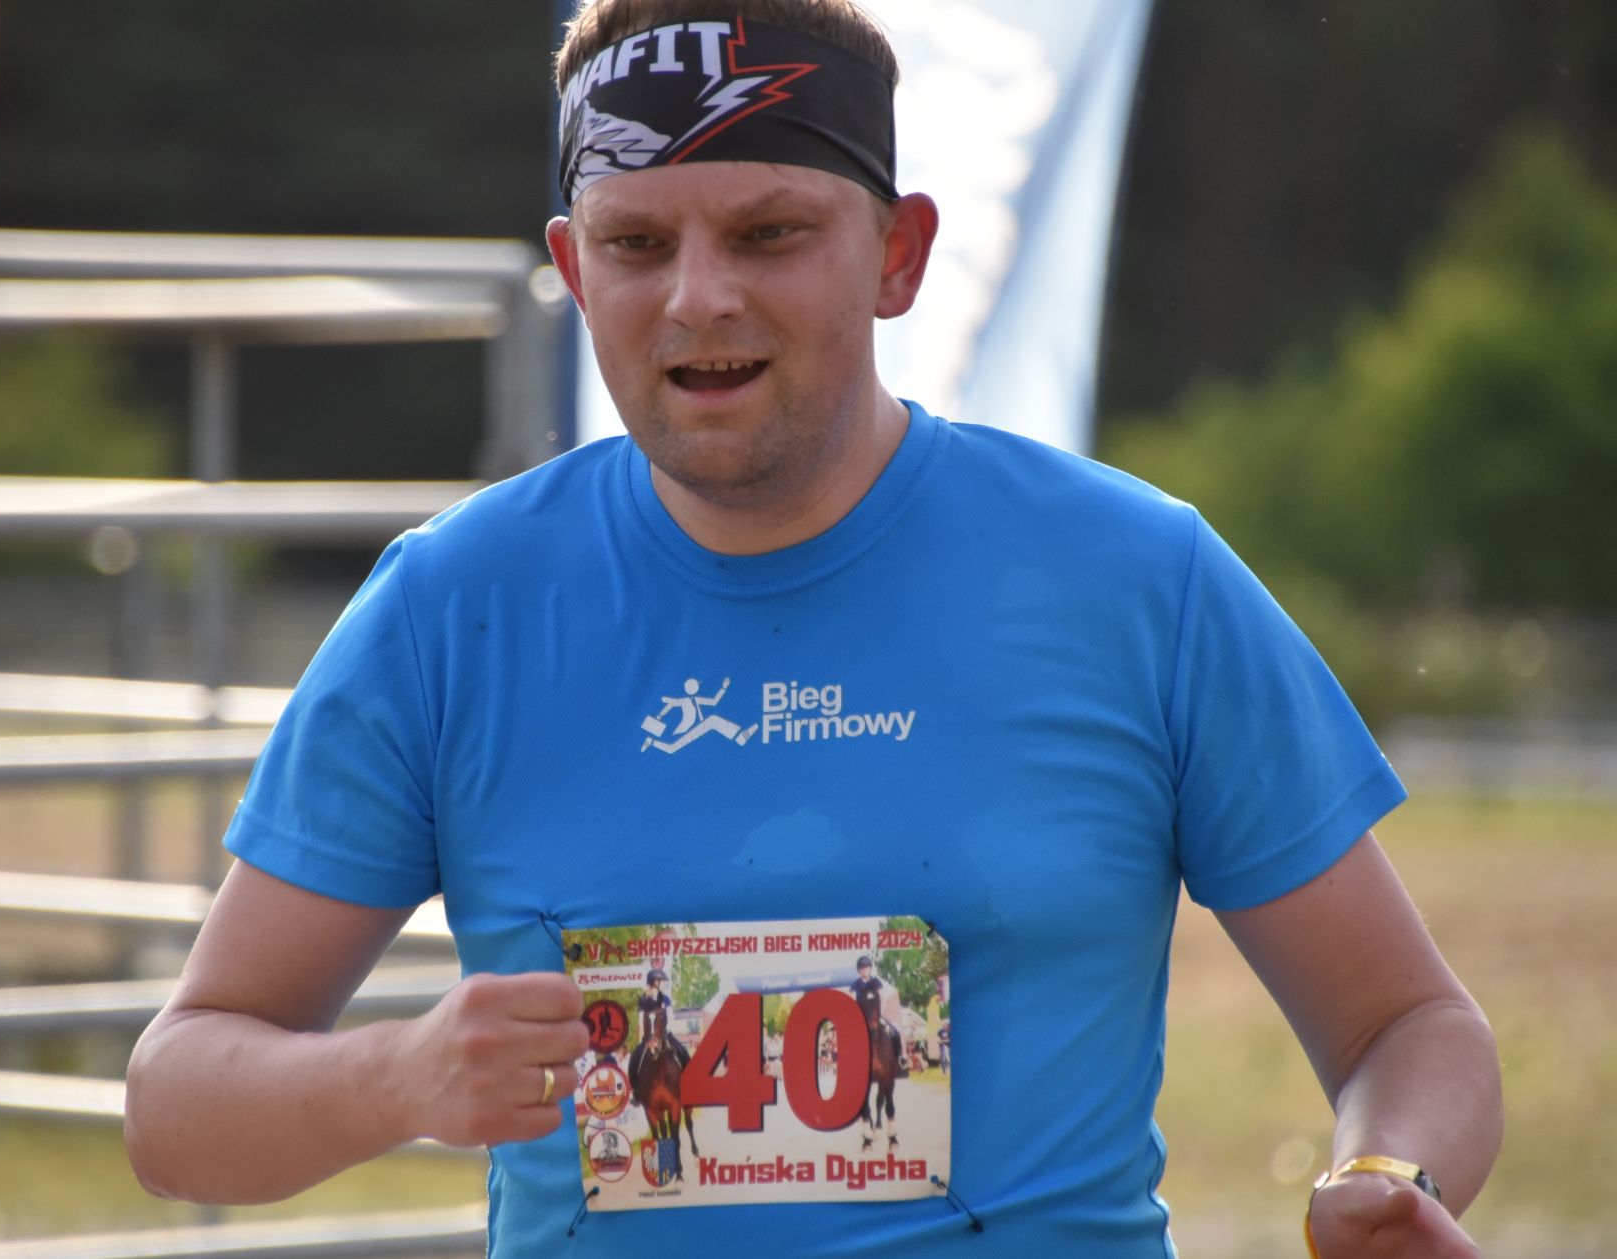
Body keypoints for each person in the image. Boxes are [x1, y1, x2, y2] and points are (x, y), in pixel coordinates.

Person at [124, 2, 1502, 1255]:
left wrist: (1389, 1170)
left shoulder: (1138, 578)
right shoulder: (452, 609)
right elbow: (177, 1103)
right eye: (638, 243)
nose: (698, 297)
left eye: (769, 233)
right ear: (574, 268)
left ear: (898, 255)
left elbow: (1408, 1021)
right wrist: (398, 1074)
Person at [626, 967, 689, 1091]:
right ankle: (635, 1089)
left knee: (683, 1052)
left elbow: (670, 1019)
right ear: (655, 983)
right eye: (662, 982)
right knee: (635, 1057)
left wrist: (666, 1032)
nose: (664, 985)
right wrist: (645, 1040)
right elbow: (641, 1021)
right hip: (648, 1037)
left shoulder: (665, 999)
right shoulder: (644, 1000)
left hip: (665, 1034)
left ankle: (689, 1083)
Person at [849, 954, 907, 1070]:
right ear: (859, 971)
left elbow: (883, 996)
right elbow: (852, 999)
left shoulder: (876, 982)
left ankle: (899, 1057)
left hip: (876, 1015)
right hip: (862, 1017)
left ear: (870, 968)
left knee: (894, 1032)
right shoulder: (855, 985)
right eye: (862, 968)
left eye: (866, 967)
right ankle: (852, 1063)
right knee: (851, 1037)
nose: (864, 970)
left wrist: (881, 1011)